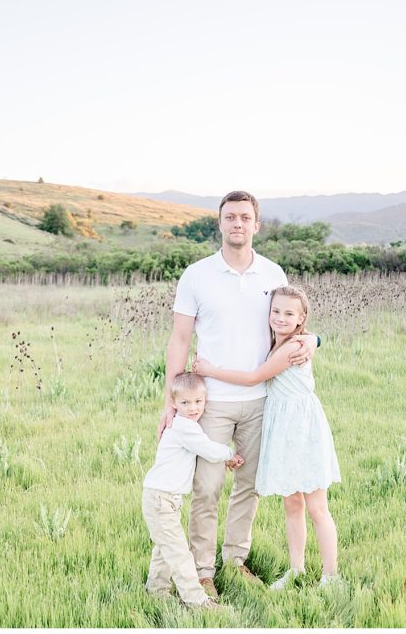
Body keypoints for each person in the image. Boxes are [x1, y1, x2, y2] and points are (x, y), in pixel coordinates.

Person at [158, 190, 318, 598]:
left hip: (263, 401)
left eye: (245, 217)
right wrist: (169, 403)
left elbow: (293, 324)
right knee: (207, 488)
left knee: (249, 486)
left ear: (256, 225)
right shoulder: (196, 275)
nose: (237, 224)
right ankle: (202, 570)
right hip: (209, 402)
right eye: (230, 217)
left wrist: (316, 339)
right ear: (220, 222)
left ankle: (235, 559)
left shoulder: (273, 273)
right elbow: (179, 340)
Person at [193, 286, 341, 589]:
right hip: (285, 429)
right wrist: (316, 339)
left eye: (289, 313)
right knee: (292, 504)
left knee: (316, 507)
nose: (280, 318)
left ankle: (331, 576)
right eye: (276, 311)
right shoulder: (279, 343)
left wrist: (209, 369)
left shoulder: (293, 347)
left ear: (302, 319)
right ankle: (296, 569)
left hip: (302, 428)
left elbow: (253, 378)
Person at [142, 372, 245, 609]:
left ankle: (156, 590)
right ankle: (198, 601)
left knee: (165, 548)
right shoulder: (183, 426)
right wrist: (230, 454)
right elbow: (208, 449)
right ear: (174, 404)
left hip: (164, 498)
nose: (193, 408)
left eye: (198, 402)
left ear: (205, 400)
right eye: (185, 403)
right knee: (179, 553)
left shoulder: (187, 425)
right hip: (161, 499)